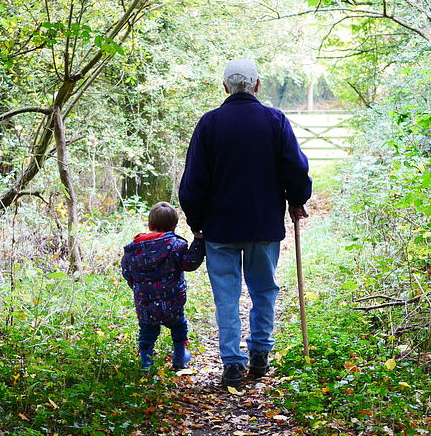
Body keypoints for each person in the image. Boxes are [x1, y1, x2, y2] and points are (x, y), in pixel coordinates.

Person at [178, 58, 312, 387]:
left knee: (226, 296)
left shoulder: (209, 124)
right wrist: (297, 200)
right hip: (263, 225)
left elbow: (193, 181)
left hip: (219, 228)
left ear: (225, 87)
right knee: (264, 290)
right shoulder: (275, 120)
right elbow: (295, 168)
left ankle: (233, 365)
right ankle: (260, 355)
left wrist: (196, 222)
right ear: (257, 85)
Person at [121, 202, 205, 371]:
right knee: (179, 328)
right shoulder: (176, 246)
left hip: (145, 304)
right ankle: (180, 359)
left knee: (147, 334)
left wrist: (139, 290)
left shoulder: (133, 249)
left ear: (149, 225)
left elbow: (127, 272)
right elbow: (190, 263)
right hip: (172, 303)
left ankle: (147, 365)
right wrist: (199, 241)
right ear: (174, 227)